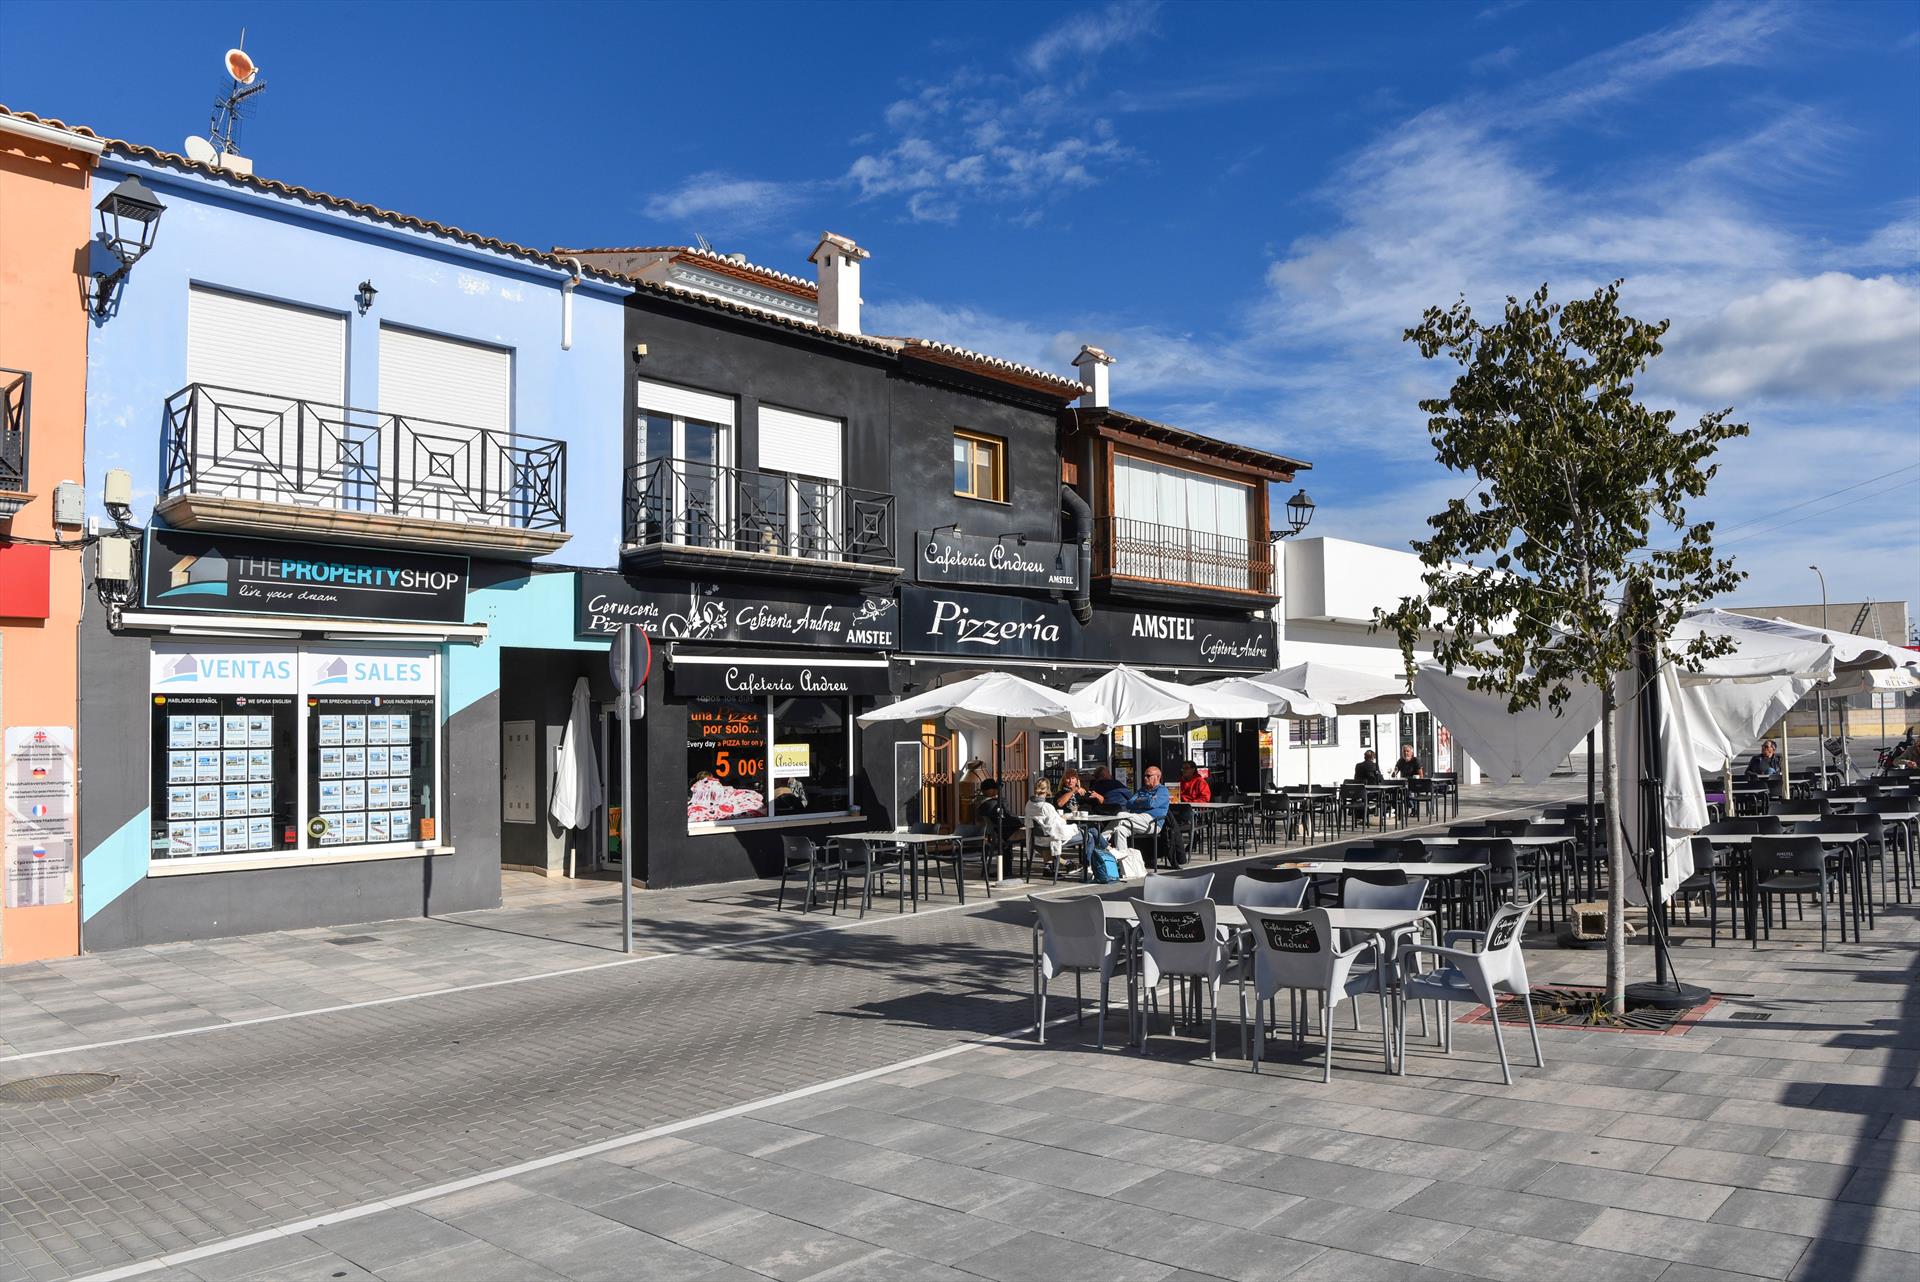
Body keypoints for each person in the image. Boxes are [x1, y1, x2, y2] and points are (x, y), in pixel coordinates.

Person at [1111, 764, 1170, 862]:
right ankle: (1125, 863)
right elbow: (1129, 804)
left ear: (1158, 777)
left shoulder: (1162, 790)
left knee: (1121, 815)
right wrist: (1146, 800)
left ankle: (1102, 839)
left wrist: (1138, 801)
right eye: (1145, 776)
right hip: (1136, 820)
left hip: (1152, 822)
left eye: (1148, 776)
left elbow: (1152, 803)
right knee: (1120, 830)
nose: (1145, 778)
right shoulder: (1142, 790)